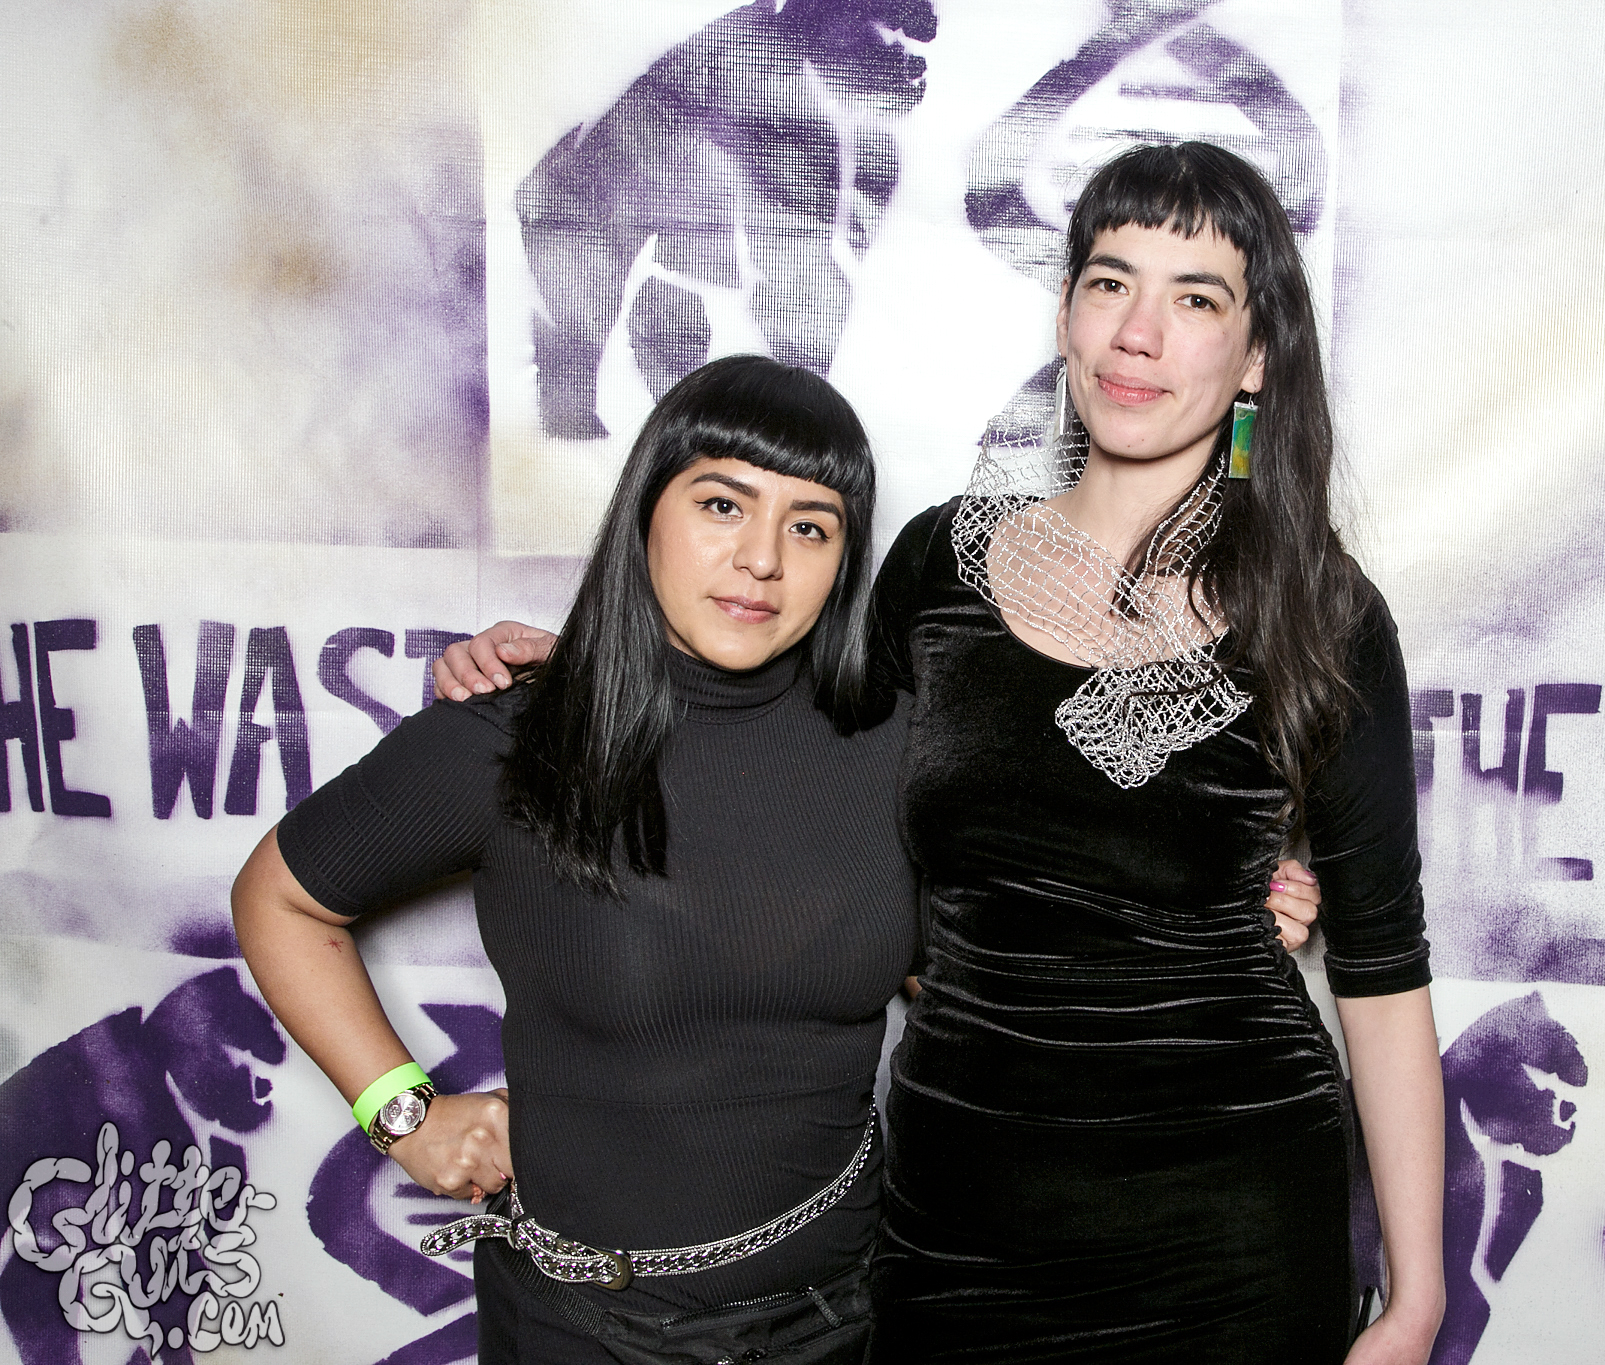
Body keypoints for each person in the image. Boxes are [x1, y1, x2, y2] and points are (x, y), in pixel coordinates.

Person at [446, 141, 1444, 1365]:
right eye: (1108, 282)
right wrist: (603, 657)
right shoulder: (937, 566)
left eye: (1194, 299)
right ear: (1065, 313)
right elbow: (785, 754)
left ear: (1255, 357)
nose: (1137, 334)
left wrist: (1417, 1299)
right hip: (956, 1217)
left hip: (1231, 1223)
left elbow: (1382, 968)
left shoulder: (1320, 614)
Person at [241, 353, 1324, 1364]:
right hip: (585, 1327)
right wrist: (404, 1115)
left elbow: (990, 941)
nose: (761, 559)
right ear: (647, 511)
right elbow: (280, 899)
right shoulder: (512, 741)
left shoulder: (894, 741)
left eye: (810, 526)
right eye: (722, 505)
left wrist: (1197, 911)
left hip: (851, 1318)